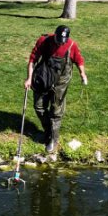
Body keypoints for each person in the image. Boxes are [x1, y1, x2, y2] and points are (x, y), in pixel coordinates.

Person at [24, 25, 87, 153]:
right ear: (55, 35)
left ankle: (53, 138)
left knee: (56, 111)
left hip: (61, 82)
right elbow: (33, 59)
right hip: (44, 77)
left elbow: (79, 60)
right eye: (58, 40)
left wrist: (82, 74)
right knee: (39, 106)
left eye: (62, 41)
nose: (60, 43)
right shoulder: (44, 41)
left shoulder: (71, 45)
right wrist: (29, 78)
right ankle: (48, 130)